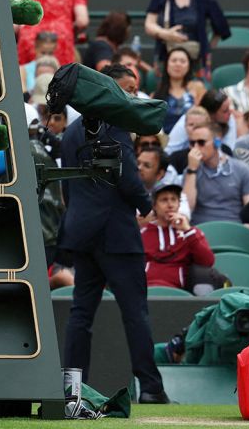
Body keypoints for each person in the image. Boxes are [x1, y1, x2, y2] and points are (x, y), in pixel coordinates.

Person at [59, 104, 167, 403]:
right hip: (116, 234)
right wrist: (147, 205)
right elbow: (128, 177)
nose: (131, 96)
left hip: (81, 231)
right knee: (135, 312)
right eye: (128, 89)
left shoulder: (70, 131)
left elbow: (68, 186)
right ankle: (150, 388)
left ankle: (73, 389)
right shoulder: (114, 126)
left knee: (81, 313)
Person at [141, 182, 215, 292]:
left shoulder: (191, 233)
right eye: (164, 200)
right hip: (146, 289)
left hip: (180, 292)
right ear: (154, 206)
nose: (170, 205)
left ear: (179, 204)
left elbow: (207, 262)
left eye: (174, 199)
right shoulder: (143, 233)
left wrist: (187, 231)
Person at [184, 121, 249, 223]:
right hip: (202, 231)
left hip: (233, 229)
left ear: (217, 142)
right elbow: (187, 208)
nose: (195, 148)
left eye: (201, 142)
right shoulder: (190, 170)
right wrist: (192, 170)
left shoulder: (241, 169)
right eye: (192, 143)